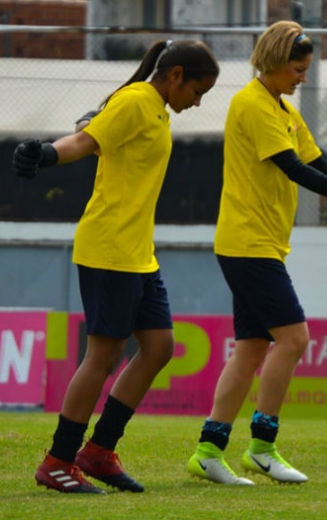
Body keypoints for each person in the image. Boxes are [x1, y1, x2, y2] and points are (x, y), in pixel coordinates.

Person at [13, 40, 219, 494]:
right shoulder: (137, 101)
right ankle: (59, 460)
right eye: (198, 91)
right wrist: (46, 154)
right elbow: (85, 140)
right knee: (103, 355)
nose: (198, 102)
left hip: (137, 252)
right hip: (109, 248)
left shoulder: (155, 106)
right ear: (176, 74)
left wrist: (85, 127)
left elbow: (92, 126)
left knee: (160, 347)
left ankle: (100, 450)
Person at [186, 20, 324, 486]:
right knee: (295, 339)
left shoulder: (281, 107)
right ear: (273, 62)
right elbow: (290, 167)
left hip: (258, 243)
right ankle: (262, 448)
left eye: (305, 70)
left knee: (249, 348)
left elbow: (316, 160)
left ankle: (208, 451)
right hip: (249, 244)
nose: (301, 77)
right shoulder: (253, 104)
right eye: (296, 70)